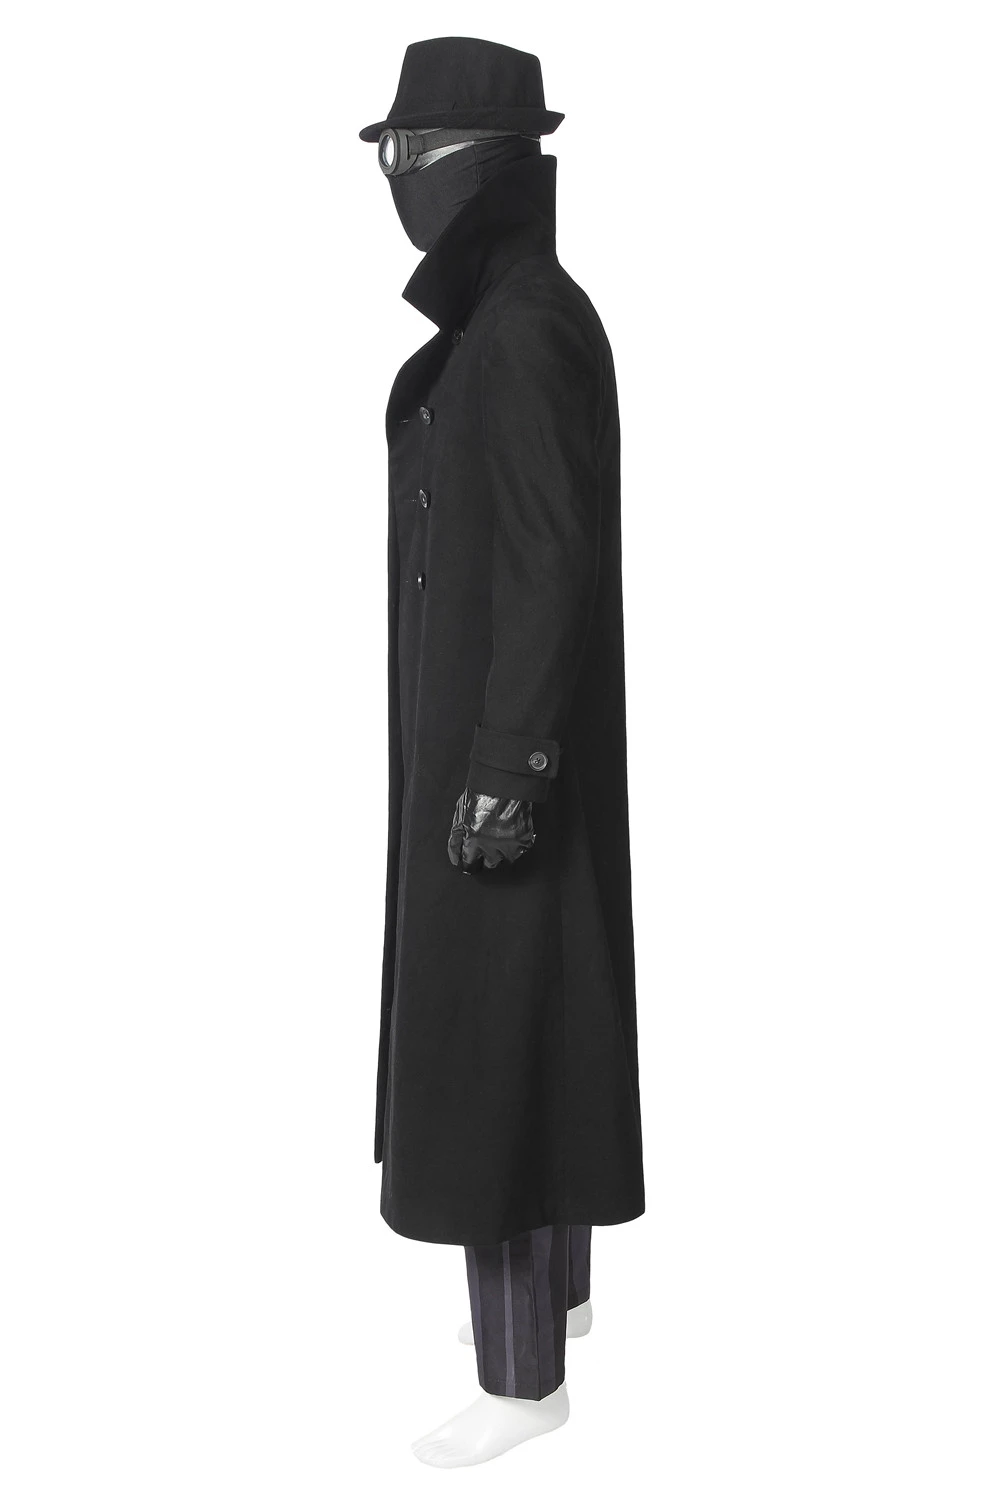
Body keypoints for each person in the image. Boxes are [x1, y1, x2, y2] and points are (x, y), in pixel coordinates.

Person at [359, 36, 644, 1466]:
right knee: (541, 1031)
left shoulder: (524, 326)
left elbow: (550, 555)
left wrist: (505, 766)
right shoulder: (505, 317)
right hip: (486, 744)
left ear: (483, 163)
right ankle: (564, 1313)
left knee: (499, 1056)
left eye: (414, 155)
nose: (398, 181)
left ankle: (524, 1385)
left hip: (500, 764)